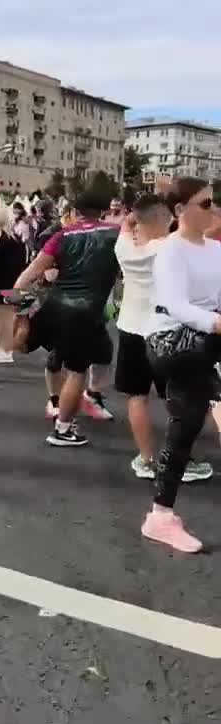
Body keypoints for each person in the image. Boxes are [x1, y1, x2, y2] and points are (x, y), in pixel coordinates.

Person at [143, 179, 221, 552]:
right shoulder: (170, 251)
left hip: (205, 343)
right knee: (187, 421)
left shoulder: (215, 250)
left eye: (214, 202)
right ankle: (160, 517)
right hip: (172, 342)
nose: (214, 209)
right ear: (179, 210)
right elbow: (176, 306)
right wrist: (217, 322)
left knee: (186, 426)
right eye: (205, 204)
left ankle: (160, 515)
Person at [113, 194, 213, 481]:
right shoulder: (172, 248)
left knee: (137, 396)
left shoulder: (124, 249)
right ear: (167, 218)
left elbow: (125, 226)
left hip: (130, 328)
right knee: (181, 400)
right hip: (165, 333)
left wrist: (132, 217)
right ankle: (179, 462)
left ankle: (147, 460)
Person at [15, 187, 120, 447]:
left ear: (75, 211)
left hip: (55, 307)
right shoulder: (116, 234)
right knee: (77, 371)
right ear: (104, 211)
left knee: (77, 355)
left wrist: (22, 316)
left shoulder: (62, 235)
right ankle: (62, 429)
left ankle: (61, 402)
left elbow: (22, 281)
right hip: (85, 312)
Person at [0, 205, 27, 363]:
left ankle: (6, 350)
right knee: (4, 316)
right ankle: (0, 345)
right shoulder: (12, 239)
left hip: (6, 285)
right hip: (13, 283)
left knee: (6, 317)